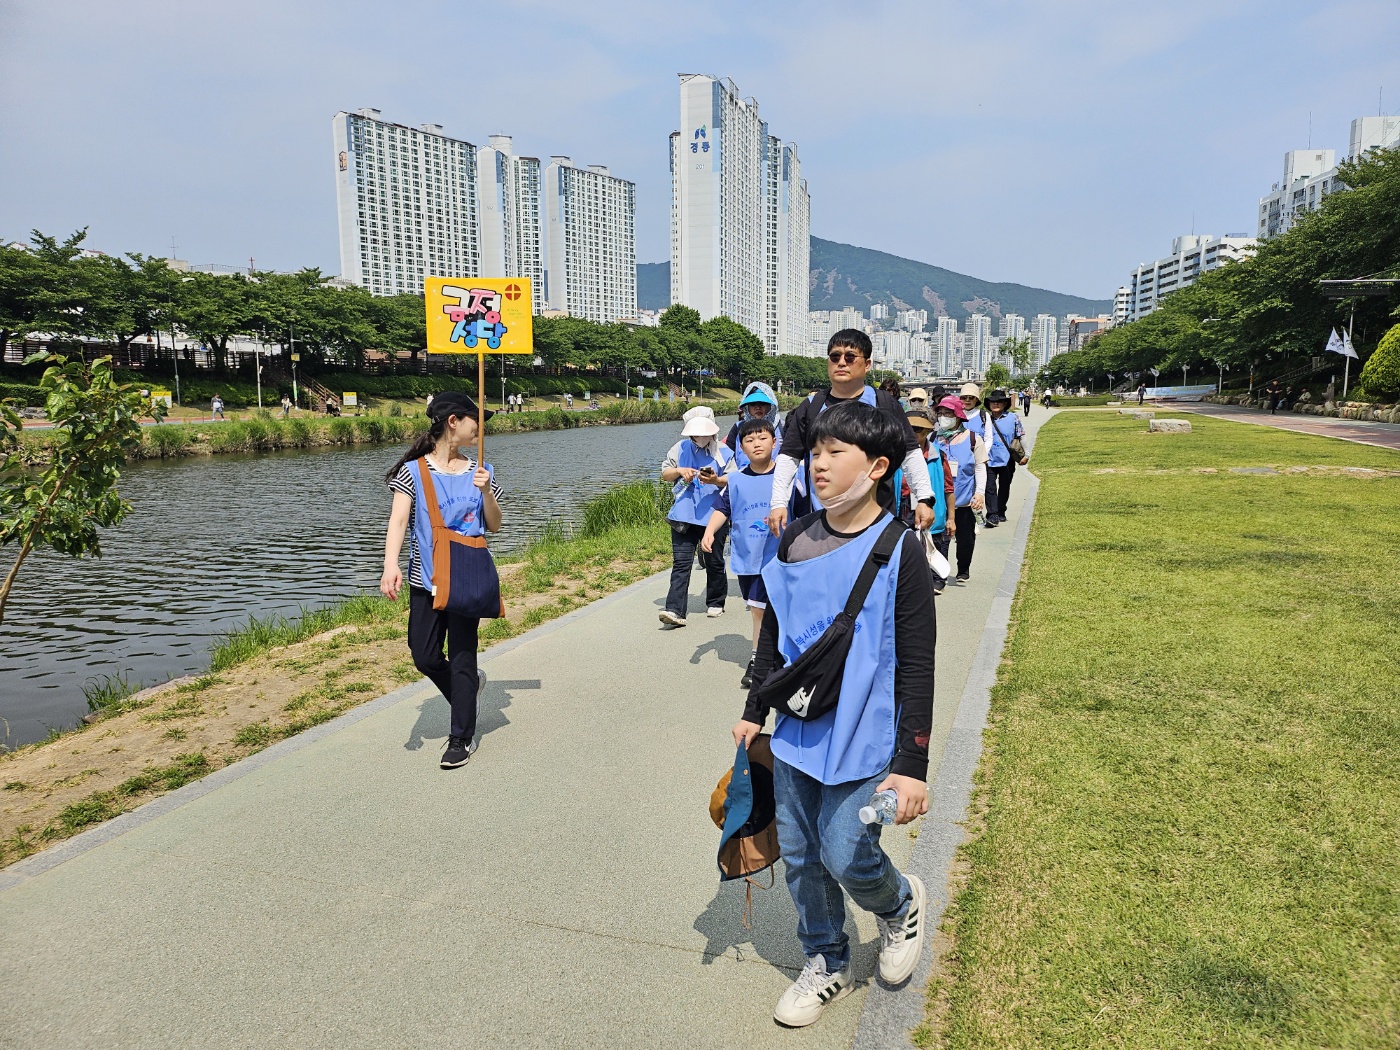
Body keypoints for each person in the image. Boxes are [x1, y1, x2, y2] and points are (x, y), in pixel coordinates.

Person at [733, 401, 932, 1029]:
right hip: (797, 725)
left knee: (846, 851)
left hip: (867, 733)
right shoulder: (795, 537)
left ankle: (899, 905)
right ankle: (827, 959)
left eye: (834, 452)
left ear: (876, 467)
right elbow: (775, 632)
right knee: (800, 854)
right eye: (814, 451)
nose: (818, 464)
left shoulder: (900, 548)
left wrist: (912, 764)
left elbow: (918, 663)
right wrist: (754, 708)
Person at [381, 392, 504, 770]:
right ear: (454, 421)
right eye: (475, 420)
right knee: (425, 655)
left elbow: (495, 525)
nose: (480, 428)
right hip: (426, 579)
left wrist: (486, 492)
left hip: (466, 577)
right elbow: (398, 521)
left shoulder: (481, 471)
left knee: (463, 656)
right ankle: (467, 691)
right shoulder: (412, 472)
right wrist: (390, 565)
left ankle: (461, 736)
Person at [768, 329, 935, 534]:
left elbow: (910, 452)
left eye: (850, 357)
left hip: (877, 519)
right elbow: (789, 456)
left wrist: (924, 498)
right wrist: (778, 503)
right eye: (835, 356)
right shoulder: (811, 406)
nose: (841, 363)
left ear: (867, 364)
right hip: (823, 522)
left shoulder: (884, 403)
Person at [700, 417, 779, 687]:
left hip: (780, 557)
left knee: (765, 609)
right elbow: (723, 509)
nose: (757, 444)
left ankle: (763, 659)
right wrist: (709, 531)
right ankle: (763, 657)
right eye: (749, 440)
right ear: (741, 448)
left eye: (763, 438)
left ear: (774, 442)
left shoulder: (787, 478)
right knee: (757, 608)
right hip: (750, 556)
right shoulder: (735, 480)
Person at [659, 406, 734, 626]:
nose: (700, 437)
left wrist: (715, 480)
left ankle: (716, 600)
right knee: (681, 563)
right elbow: (665, 473)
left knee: (714, 560)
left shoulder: (724, 452)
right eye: (696, 433)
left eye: (704, 433)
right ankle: (674, 610)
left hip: (714, 515)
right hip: (683, 514)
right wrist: (680, 471)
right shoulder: (680, 448)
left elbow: (733, 479)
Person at [934, 395, 987, 583]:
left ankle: (963, 569)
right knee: (941, 540)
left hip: (964, 501)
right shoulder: (933, 438)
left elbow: (980, 467)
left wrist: (980, 492)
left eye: (947, 413)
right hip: (940, 501)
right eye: (940, 413)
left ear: (958, 415)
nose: (943, 417)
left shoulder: (973, 439)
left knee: (965, 540)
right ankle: (939, 576)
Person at [905, 408, 956, 595]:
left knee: (934, 546)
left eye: (918, 429)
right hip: (903, 508)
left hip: (932, 510)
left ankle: (935, 580)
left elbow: (948, 488)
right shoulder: (893, 454)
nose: (912, 433)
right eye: (908, 428)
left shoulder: (938, 456)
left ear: (928, 431)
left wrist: (951, 518)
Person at [981, 390, 1027, 527]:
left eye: (999, 401)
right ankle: (992, 514)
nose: (995, 404)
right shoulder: (984, 419)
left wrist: (1027, 455)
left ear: (1005, 403)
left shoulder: (1013, 418)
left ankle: (1001, 510)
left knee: (1004, 486)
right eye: (993, 402)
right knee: (989, 487)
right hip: (988, 459)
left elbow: (1021, 436)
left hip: (1007, 459)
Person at [723, 382, 782, 469]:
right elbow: (727, 456)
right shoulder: (738, 427)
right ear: (747, 407)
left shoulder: (782, 427)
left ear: (771, 405)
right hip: (743, 475)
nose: (758, 407)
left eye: (762, 403)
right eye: (753, 404)